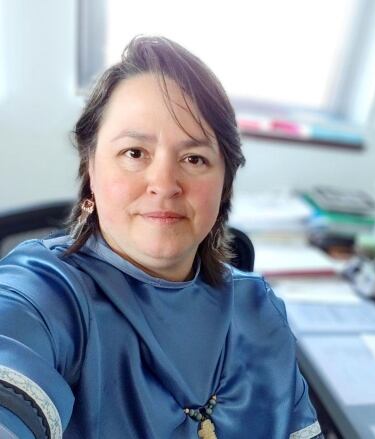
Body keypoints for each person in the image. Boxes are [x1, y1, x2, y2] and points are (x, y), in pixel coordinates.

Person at [0, 36, 321, 439]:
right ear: (91, 173)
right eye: (135, 153)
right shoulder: (45, 294)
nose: (165, 184)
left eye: (194, 158)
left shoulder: (259, 309)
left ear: (224, 185)